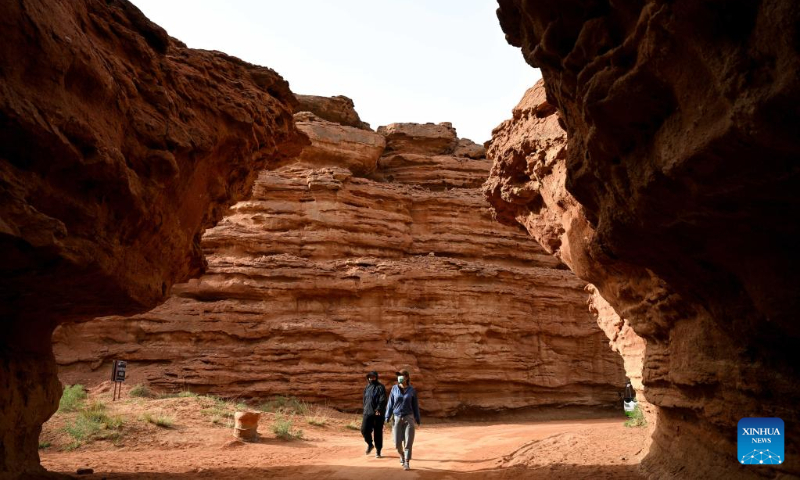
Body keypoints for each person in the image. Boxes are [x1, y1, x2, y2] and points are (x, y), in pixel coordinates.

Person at [385, 369, 420, 471]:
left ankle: (407, 462)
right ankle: (402, 455)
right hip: (396, 418)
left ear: (407, 378)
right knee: (397, 443)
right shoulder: (394, 389)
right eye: (398, 375)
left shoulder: (412, 390)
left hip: (409, 418)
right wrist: (387, 416)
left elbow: (415, 406)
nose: (399, 377)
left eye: (402, 376)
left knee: (408, 442)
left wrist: (417, 418)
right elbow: (390, 404)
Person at [361, 371, 387, 458]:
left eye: (373, 377)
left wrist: (378, 409)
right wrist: (365, 409)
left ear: (376, 377)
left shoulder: (380, 387)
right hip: (367, 412)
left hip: (377, 414)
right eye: (370, 377)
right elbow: (364, 400)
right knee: (364, 430)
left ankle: (378, 451)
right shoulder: (367, 387)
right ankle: (370, 444)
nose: (371, 378)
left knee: (378, 432)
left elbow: (382, 399)